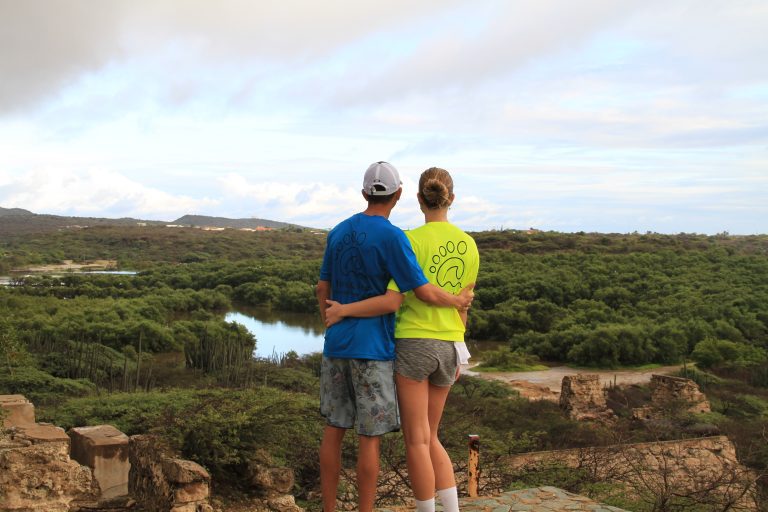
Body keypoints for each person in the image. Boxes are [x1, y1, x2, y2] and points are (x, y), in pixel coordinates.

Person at [316, 162, 474, 512]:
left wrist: (333, 318)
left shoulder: (338, 231)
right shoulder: (394, 237)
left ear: (363, 193)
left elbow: (322, 287)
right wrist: (458, 308)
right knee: (371, 438)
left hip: (337, 345)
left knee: (333, 429)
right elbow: (401, 297)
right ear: (399, 195)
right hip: (375, 349)